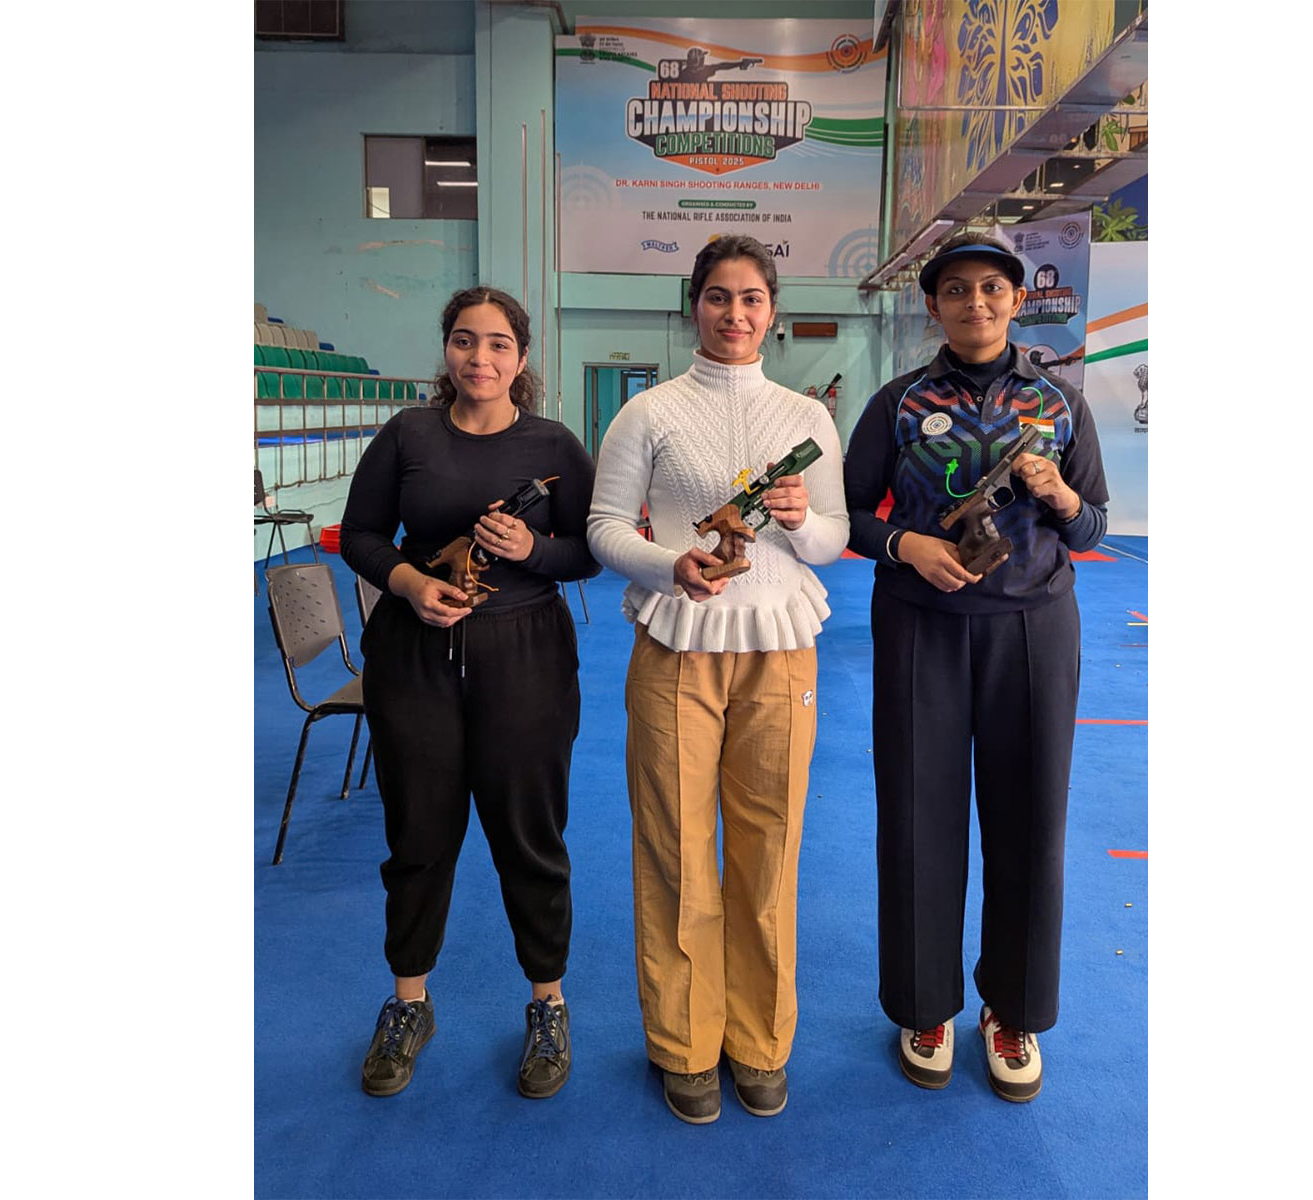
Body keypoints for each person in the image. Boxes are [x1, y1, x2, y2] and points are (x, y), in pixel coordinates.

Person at [842, 229, 1109, 1103]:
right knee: (918, 814)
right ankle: (926, 1004)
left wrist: (1062, 496)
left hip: (1035, 629)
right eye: (956, 290)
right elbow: (848, 518)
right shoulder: (899, 401)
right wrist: (906, 544)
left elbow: (1093, 522)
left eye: (992, 288)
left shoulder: (1062, 403)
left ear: (1017, 298)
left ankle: (1013, 1008)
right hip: (922, 625)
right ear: (934, 306)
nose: (976, 303)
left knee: (1030, 817)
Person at [587, 236, 848, 1125]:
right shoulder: (648, 414)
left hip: (781, 648)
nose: (734, 315)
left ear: (772, 310)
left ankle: (760, 1040)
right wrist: (669, 565)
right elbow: (604, 527)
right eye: (717, 297)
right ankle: (685, 1045)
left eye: (750, 299)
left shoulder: (808, 419)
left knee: (769, 849)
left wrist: (804, 517)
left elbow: (833, 540)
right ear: (691, 304)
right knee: (675, 849)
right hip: (676, 650)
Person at [339, 286, 599, 1101]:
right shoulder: (407, 434)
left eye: (496, 344)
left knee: (530, 835)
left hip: (524, 656)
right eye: (463, 341)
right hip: (413, 655)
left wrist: (532, 547)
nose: (478, 358)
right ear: (445, 351)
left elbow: (588, 551)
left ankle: (547, 1005)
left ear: (522, 360)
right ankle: (409, 1004)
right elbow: (360, 534)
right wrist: (411, 581)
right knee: (417, 836)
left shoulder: (554, 442)